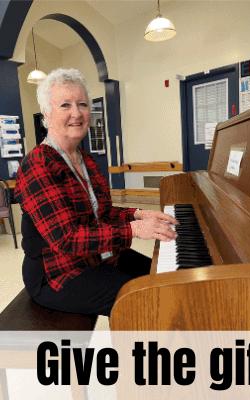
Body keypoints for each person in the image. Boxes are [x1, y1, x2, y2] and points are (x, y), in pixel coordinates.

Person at [16, 68, 179, 316]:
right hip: (58, 274)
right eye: (65, 105)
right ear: (47, 114)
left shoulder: (86, 160)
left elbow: (102, 213)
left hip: (97, 256)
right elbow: (66, 238)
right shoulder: (37, 165)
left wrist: (137, 214)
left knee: (168, 278)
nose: (77, 113)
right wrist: (134, 230)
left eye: (82, 104)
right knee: (152, 303)